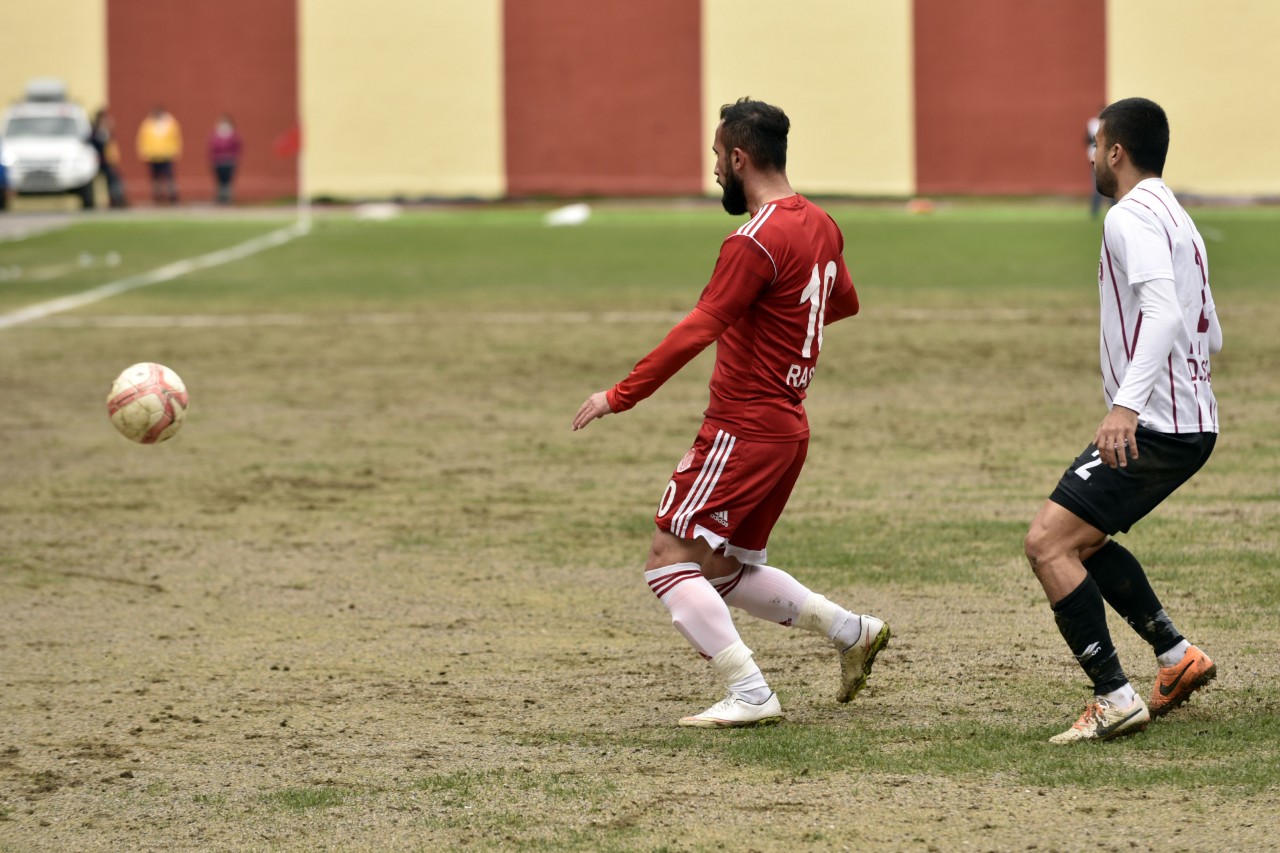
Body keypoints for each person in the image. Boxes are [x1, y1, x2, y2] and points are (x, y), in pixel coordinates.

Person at [572, 97, 890, 728]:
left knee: (668, 558)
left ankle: (748, 690)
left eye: (718, 156)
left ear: (740, 157)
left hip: (742, 428)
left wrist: (620, 393)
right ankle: (851, 631)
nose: (715, 168)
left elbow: (697, 330)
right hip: (787, 429)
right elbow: (842, 302)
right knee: (721, 569)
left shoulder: (753, 240)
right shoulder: (821, 223)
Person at [1024, 97, 1222, 744]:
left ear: (1116, 151)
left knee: (1049, 542)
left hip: (1158, 423)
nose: (1090, 158)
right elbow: (1208, 328)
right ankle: (1176, 655)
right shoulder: (1178, 217)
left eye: (1096, 146)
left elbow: (1164, 313)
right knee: (1085, 536)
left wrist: (1127, 406)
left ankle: (1113, 695)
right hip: (1189, 417)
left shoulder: (1127, 216)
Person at [136, 105, 182, 204]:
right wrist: (144, 152)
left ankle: (172, 195)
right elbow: (142, 139)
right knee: (155, 177)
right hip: (153, 155)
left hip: (167, 154)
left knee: (169, 176)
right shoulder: (148, 124)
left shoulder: (170, 123)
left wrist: (175, 151)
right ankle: (157, 195)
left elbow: (176, 138)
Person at [90, 108, 128, 208]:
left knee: (115, 179)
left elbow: (111, 147)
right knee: (110, 179)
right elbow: (95, 146)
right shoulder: (95, 133)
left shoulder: (107, 132)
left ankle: (117, 199)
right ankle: (114, 200)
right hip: (100, 162)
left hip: (108, 161)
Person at [208, 113, 243, 204]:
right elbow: (212, 148)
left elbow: (238, 148)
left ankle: (228, 199)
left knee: (227, 181)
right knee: (220, 181)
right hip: (218, 161)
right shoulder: (216, 135)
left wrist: (234, 158)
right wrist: (213, 159)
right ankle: (220, 198)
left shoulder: (234, 135)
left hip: (229, 161)